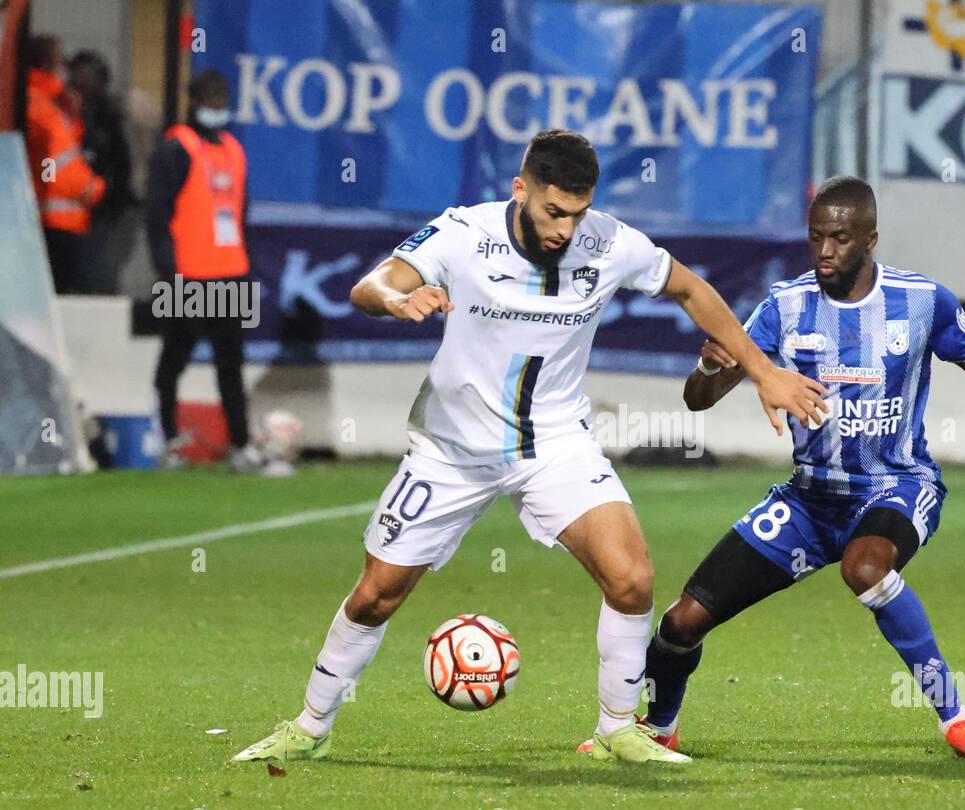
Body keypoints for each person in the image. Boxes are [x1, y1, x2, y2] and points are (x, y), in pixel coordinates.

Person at [231, 129, 827, 765]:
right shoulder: (466, 232)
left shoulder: (609, 241)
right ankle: (310, 725)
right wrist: (399, 299)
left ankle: (618, 730)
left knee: (632, 580)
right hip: (452, 450)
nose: (565, 230)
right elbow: (371, 284)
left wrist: (762, 372)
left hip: (555, 444)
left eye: (577, 213)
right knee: (377, 593)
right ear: (522, 190)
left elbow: (690, 289)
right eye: (553, 212)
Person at [609, 176, 965, 761]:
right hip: (808, 501)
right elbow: (702, 397)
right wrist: (706, 365)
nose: (825, 251)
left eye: (840, 239)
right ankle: (659, 728)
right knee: (680, 623)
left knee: (866, 567)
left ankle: (958, 720)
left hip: (896, 486)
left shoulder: (922, 302)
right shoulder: (784, 306)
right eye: (816, 238)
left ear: (870, 238)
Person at [147, 69, 262, 473]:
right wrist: (168, 270)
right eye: (211, 98)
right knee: (173, 361)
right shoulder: (177, 148)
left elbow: (241, 212)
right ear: (194, 101)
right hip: (188, 276)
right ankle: (167, 440)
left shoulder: (234, 148)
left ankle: (242, 445)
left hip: (231, 272)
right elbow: (157, 214)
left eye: (222, 97)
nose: (218, 105)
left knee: (231, 365)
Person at [23, 35, 104, 293]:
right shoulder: (39, 104)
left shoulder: (49, 103)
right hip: (55, 222)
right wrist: (92, 187)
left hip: (60, 221)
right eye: (62, 62)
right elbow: (55, 164)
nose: (66, 69)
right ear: (47, 63)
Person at [68, 50, 136, 294]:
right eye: (79, 74)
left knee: (92, 266)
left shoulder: (109, 114)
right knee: (70, 266)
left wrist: (113, 195)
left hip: (100, 206)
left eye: (89, 75)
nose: (83, 80)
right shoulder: (63, 110)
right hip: (66, 205)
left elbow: (120, 161)